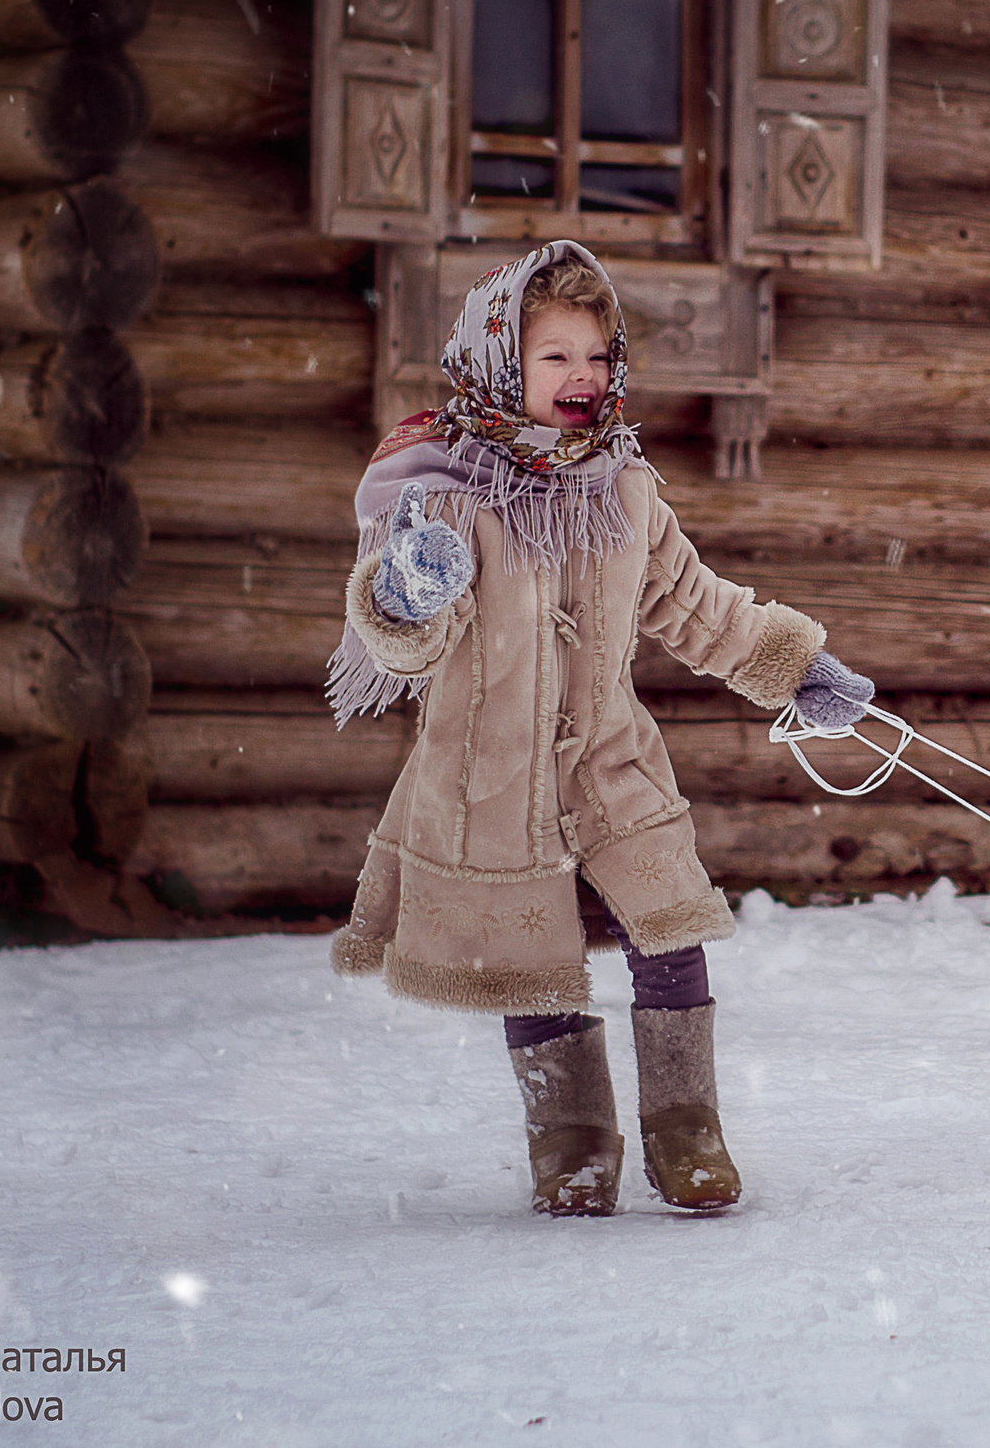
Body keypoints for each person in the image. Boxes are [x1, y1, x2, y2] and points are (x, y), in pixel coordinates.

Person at [324, 241, 876, 1217]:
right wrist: (408, 593)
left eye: (596, 354)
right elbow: (408, 649)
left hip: (614, 763)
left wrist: (794, 666)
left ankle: (686, 1132)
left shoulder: (624, 490)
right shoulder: (442, 494)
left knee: (670, 935)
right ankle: (571, 1143)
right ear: (500, 365)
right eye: (554, 356)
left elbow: (694, 606)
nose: (581, 374)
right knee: (533, 966)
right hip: (489, 778)